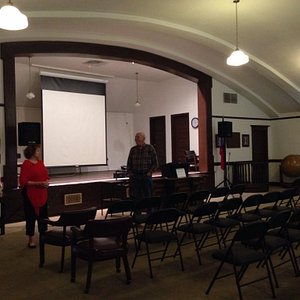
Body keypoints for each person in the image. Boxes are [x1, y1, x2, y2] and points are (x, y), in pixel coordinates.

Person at [19, 144, 49, 248]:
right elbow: (23, 181)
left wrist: (46, 182)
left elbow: (45, 176)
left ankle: (43, 236)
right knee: (30, 217)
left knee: (43, 216)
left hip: (42, 194)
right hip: (30, 194)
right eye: (37, 151)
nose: (39, 153)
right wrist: (39, 183)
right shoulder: (26, 164)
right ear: (32, 153)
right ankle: (31, 240)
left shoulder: (41, 163)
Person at [127, 132, 158, 203]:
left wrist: (150, 172)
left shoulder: (150, 148)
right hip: (135, 176)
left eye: (138, 138)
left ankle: (150, 212)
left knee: (148, 195)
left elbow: (155, 163)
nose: (136, 140)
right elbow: (129, 163)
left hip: (146, 175)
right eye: (136, 138)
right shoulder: (133, 150)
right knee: (136, 196)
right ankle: (137, 212)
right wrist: (130, 173)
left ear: (143, 139)